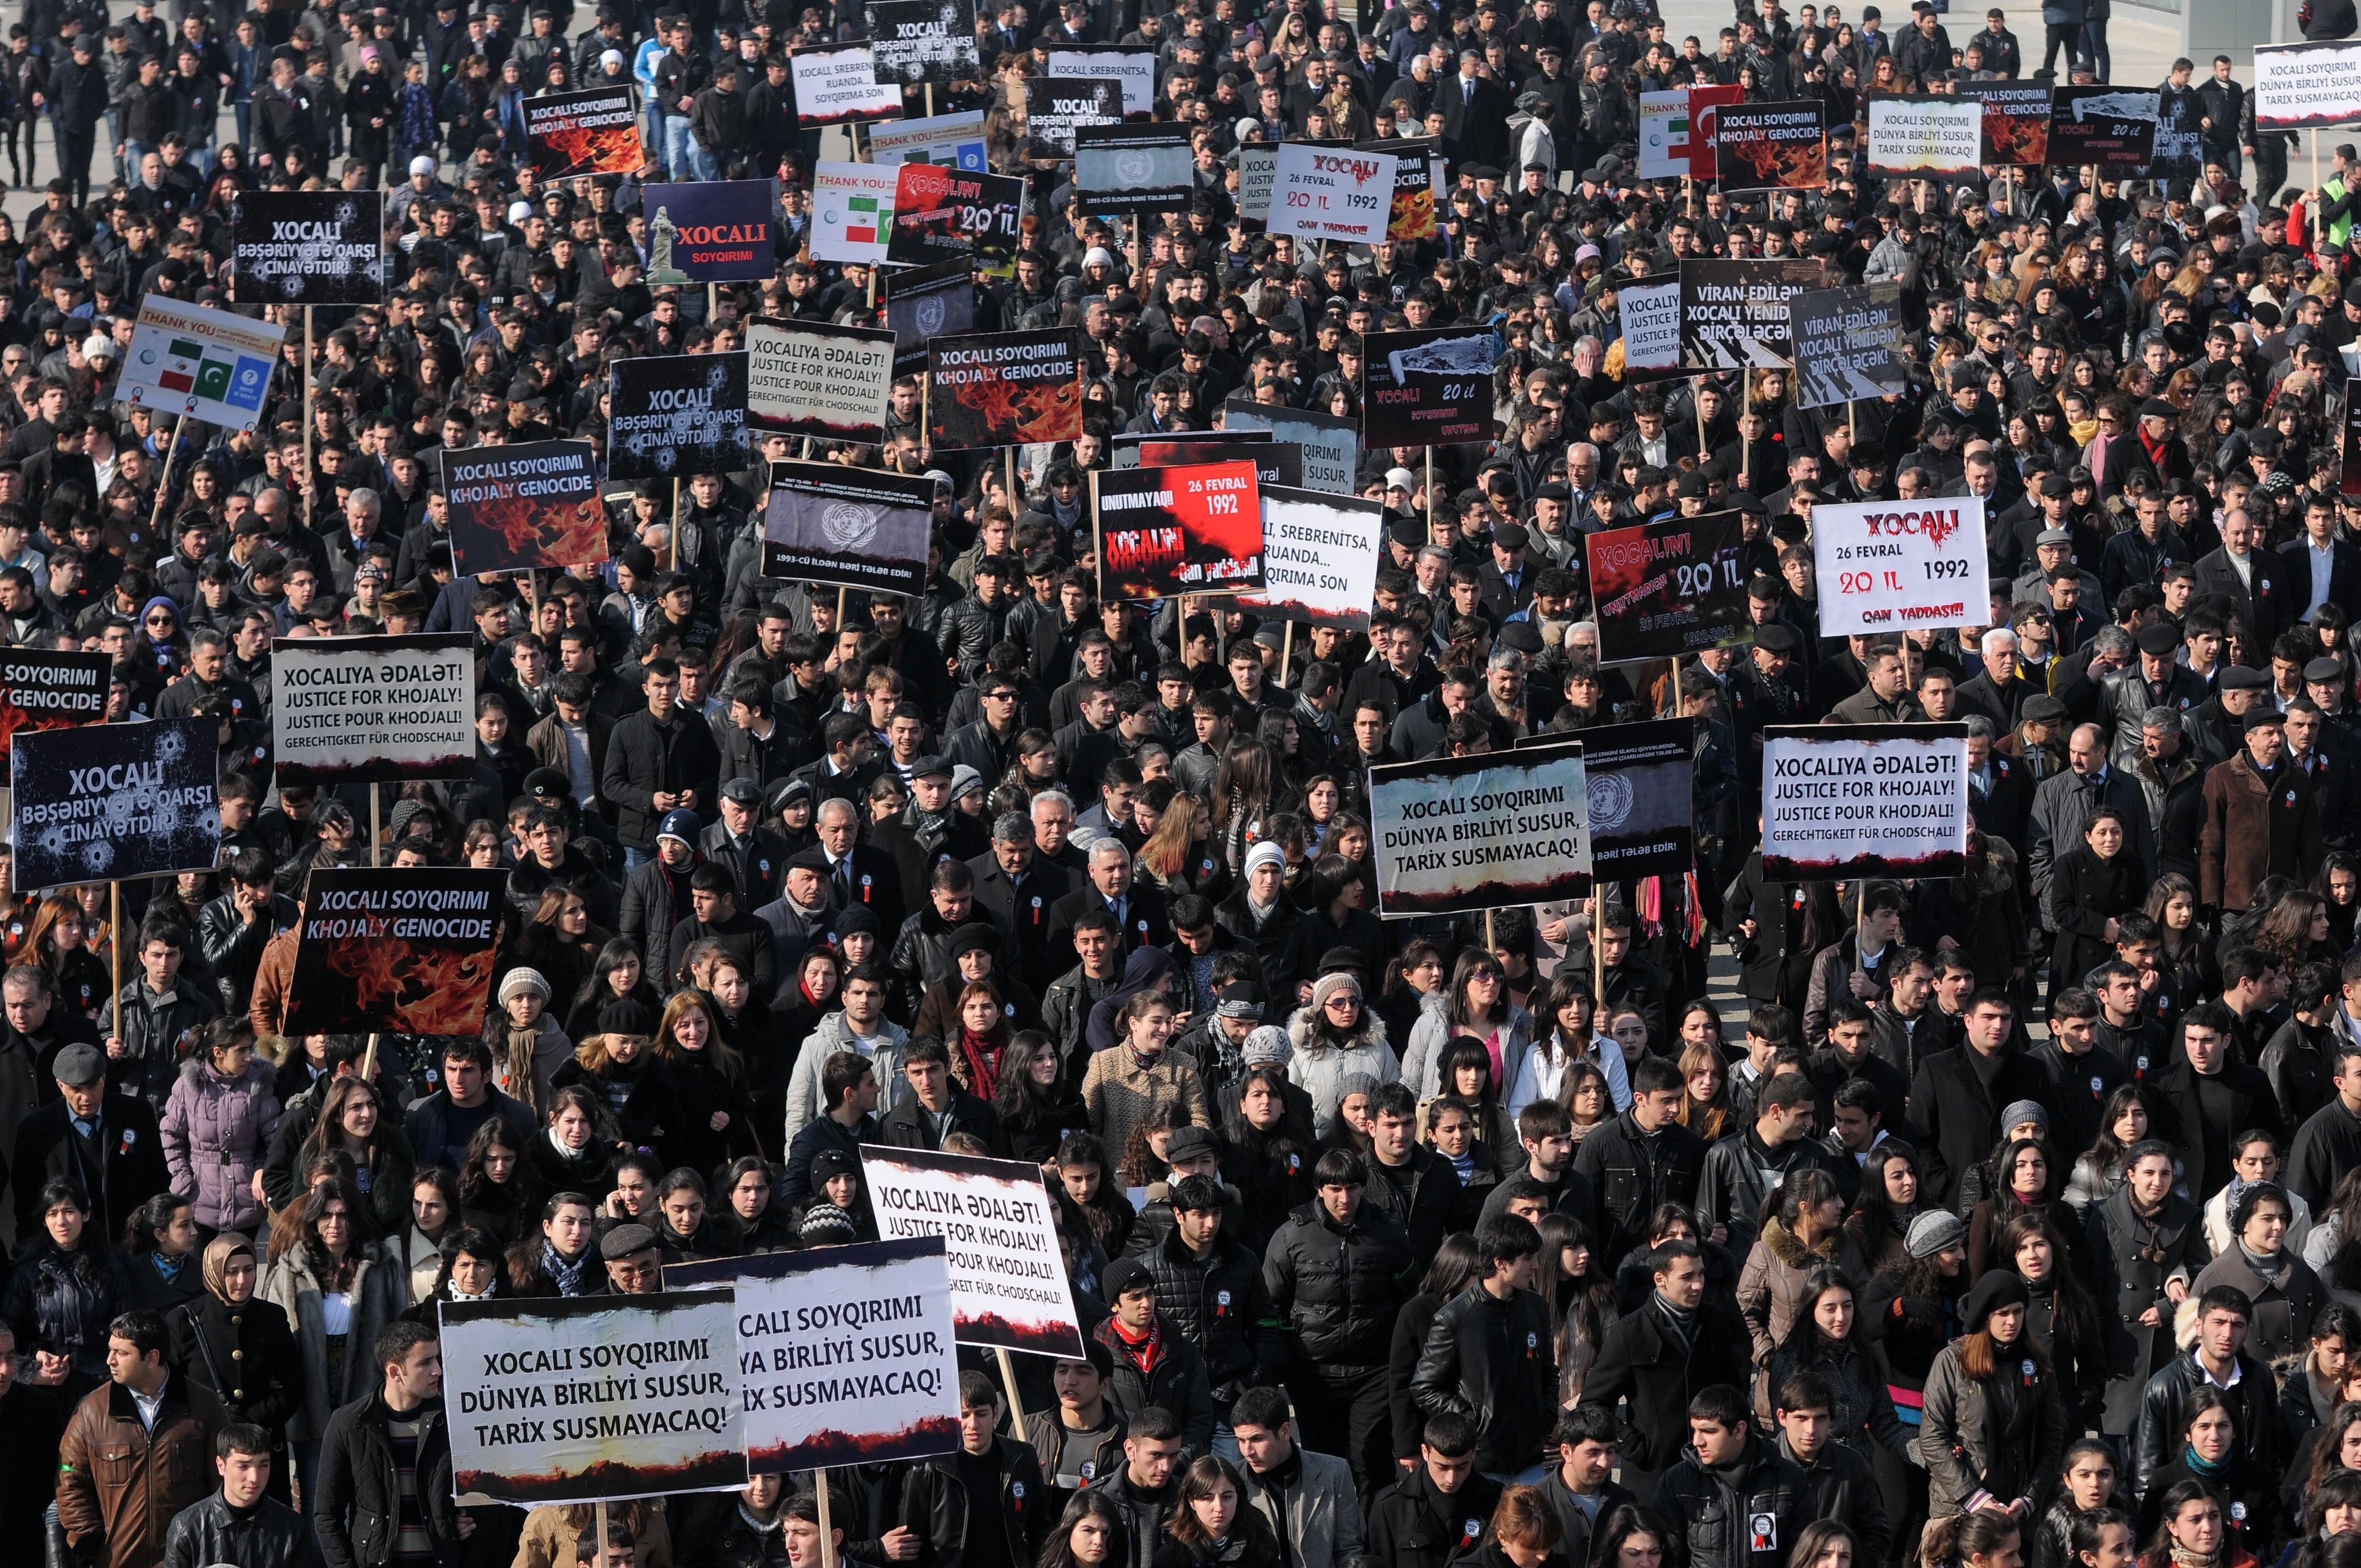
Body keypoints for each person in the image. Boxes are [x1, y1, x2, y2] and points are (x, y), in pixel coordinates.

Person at [1259, 1147, 1410, 1491]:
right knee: (1320, 1465)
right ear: (1320, 1189)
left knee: (1370, 1465)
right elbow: (1271, 1307)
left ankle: (1369, 1540)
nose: (1345, 1198)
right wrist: (1283, 1363)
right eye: (1336, 1189)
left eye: (1353, 1188)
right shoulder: (1291, 1236)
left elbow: (1408, 1298)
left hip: (1372, 1370)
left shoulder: (1387, 1233)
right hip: (1313, 1374)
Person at [1577, 1238, 1751, 1504]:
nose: (1698, 1284)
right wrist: (1634, 1446)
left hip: (1711, 1472)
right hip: (1651, 1480)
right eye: (1687, 1277)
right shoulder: (1631, 1331)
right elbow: (1593, 1404)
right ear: (1660, 1279)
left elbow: (1733, 1387)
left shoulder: (1716, 1321)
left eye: (1701, 1274)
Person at [1411, 1215, 1557, 1484]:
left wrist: (1545, 1415)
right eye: (1528, 1258)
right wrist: (1470, 1421)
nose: (1537, 1266)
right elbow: (1425, 1387)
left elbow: (1548, 1370)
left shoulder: (1536, 1308)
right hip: (1483, 1464)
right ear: (1501, 1263)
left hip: (1532, 1460)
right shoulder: (1455, 1318)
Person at [1918, 1271, 2068, 1520]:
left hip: (2017, 1509)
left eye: (2018, 1312)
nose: (2012, 1321)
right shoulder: (1953, 1362)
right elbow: (1932, 1439)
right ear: (1985, 1316)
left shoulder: (2038, 1364)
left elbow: (2051, 1439)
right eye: (2003, 1314)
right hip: (1961, 1509)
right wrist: (1977, 1499)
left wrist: (2030, 1498)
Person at [167, 1235, 301, 1507]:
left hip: (261, 1448)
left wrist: (254, 1419)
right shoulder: (185, 1320)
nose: (242, 1281)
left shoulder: (272, 1317)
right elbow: (171, 1387)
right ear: (215, 1272)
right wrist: (217, 1418)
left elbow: (294, 1384)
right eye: (231, 1271)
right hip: (207, 1451)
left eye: (248, 1270)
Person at [313, 1320, 455, 1568]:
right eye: (425, 1363)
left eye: (437, 1359)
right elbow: (327, 1515)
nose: (438, 1370)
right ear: (395, 1372)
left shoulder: (451, 1420)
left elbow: (480, 1500)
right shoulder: (350, 1424)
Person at [891, 1370, 1051, 1568]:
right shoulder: (927, 1467)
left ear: (995, 1413)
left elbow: (1039, 1529)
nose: (973, 1424)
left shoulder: (1021, 1458)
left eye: (981, 1414)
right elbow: (910, 1544)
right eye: (964, 1415)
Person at [1655, 1382, 1811, 1568]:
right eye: (1695, 1430)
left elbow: (1802, 1554)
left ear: (1739, 1430)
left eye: (1709, 1431)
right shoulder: (1678, 1483)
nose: (1697, 1441)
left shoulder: (1789, 1479)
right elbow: (1667, 1557)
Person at [1228, 1386, 1363, 1568]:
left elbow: (1349, 1550)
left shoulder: (1334, 1472)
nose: (1247, 1451)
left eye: (1257, 1439)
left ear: (1285, 1432)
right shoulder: (1231, 1482)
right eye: (1241, 1440)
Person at [159, 1422, 317, 1568]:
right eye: (243, 1466)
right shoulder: (187, 1527)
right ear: (221, 1466)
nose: (254, 1477)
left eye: (263, 1465)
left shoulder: (292, 1528)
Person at [1365, 1412, 1505, 1568]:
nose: (1451, 1479)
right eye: (1442, 1467)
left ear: (1473, 1455)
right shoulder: (1392, 1506)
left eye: (1461, 1467)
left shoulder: (1497, 1502)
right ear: (1425, 1452)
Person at [1093, 1405, 1188, 1568]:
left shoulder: (1189, 1501)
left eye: (1173, 1456)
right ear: (1131, 1450)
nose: (1166, 1467)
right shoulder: (1096, 1500)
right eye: (1156, 1455)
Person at [1150, 1455, 1280, 1568]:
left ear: (1238, 1496)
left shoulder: (1261, 1544)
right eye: (1208, 1498)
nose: (1219, 1508)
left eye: (1227, 1497)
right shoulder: (1172, 1555)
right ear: (1192, 1502)